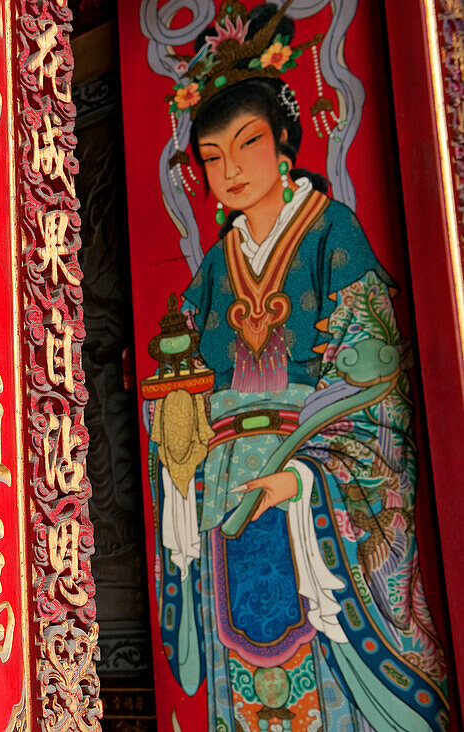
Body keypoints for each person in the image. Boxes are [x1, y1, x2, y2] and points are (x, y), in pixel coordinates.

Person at [149, 3, 450, 729]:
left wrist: (305, 478)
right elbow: (179, 381)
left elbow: (376, 389)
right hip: (226, 495)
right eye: (212, 158)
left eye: (246, 145)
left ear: (283, 144)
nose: (230, 170)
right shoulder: (216, 268)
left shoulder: (332, 235)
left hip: (309, 490)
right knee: (244, 681)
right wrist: (181, 452)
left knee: (322, 684)